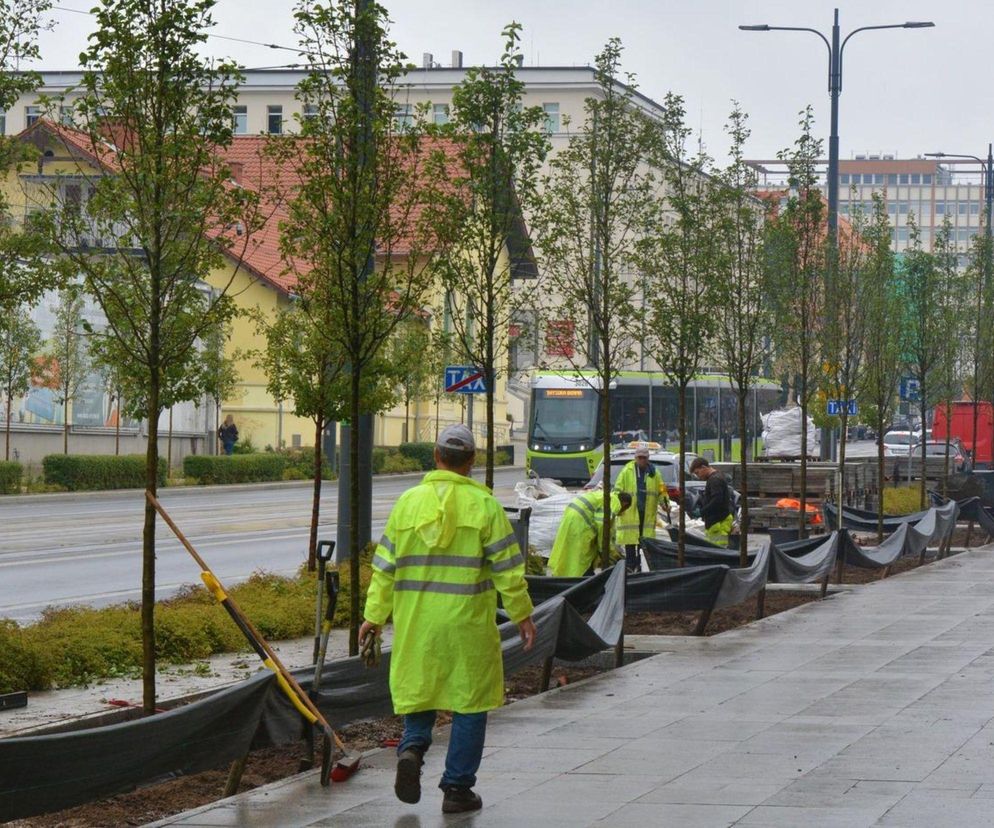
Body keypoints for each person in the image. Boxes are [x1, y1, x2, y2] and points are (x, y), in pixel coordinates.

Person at [358, 424, 536, 815]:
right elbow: (508, 570)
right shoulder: (486, 506)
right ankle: (456, 790)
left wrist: (373, 617)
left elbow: (385, 568)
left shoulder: (407, 503)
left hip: (417, 622)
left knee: (420, 689)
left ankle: (413, 747)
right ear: (471, 462)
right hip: (468, 624)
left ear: (435, 457)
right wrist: (522, 615)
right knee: (470, 702)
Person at [548, 490, 632, 577]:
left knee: (568, 551)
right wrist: (603, 548)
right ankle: (582, 577)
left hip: (571, 516)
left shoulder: (606, 496)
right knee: (582, 556)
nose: (622, 512)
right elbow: (602, 525)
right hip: (580, 522)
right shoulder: (615, 503)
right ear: (625, 504)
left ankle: (566, 575)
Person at [613, 445, 670, 573]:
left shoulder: (654, 473)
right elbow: (618, 490)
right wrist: (619, 507)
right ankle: (630, 566)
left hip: (647, 513)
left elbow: (662, 490)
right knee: (630, 543)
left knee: (643, 544)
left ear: (648, 458)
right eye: (639, 458)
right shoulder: (627, 471)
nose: (642, 460)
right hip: (630, 513)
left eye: (644, 458)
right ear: (635, 457)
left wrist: (665, 503)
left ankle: (640, 567)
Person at [689, 457, 733, 547]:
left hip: (718, 524)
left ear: (703, 467)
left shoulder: (715, 480)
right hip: (717, 523)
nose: (698, 476)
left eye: (697, 472)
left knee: (717, 551)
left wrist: (702, 512)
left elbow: (716, 501)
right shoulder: (716, 477)